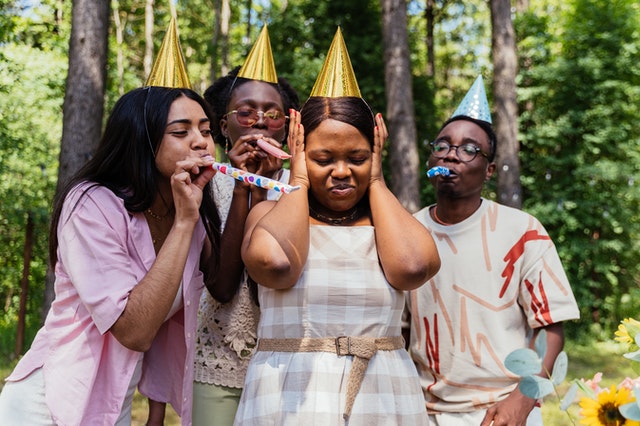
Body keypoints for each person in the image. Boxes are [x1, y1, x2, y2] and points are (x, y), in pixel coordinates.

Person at [0, 18, 220, 426]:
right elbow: (134, 330)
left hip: (114, 405)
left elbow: (213, 294)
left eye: (206, 130)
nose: (200, 142)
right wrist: (185, 224)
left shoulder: (190, 206)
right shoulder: (90, 205)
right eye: (181, 130)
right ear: (142, 138)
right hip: (51, 402)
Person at [233, 28, 441, 425]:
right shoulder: (266, 214)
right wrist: (298, 179)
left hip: (380, 396)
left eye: (358, 158)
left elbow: (412, 268)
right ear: (299, 152)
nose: (342, 172)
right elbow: (278, 265)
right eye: (323, 158)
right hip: (291, 398)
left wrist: (377, 181)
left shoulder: (387, 225)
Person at [406, 76, 580, 426]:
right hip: (424, 411)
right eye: (443, 145)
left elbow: (550, 327)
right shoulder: (406, 233)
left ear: (489, 170)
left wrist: (523, 399)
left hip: (506, 409)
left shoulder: (523, 231)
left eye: (469, 149)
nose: (452, 154)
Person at [193, 26, 299, 426]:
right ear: (224, 126)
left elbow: (272, 277)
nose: (259, 121)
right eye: (246, 111)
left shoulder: (299, 189)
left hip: (287, 364)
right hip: (217, 361)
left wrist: (270, 187)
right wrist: (243, 186)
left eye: (272, 114)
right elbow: (221, 287)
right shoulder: (203, 185)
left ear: (286, 128)